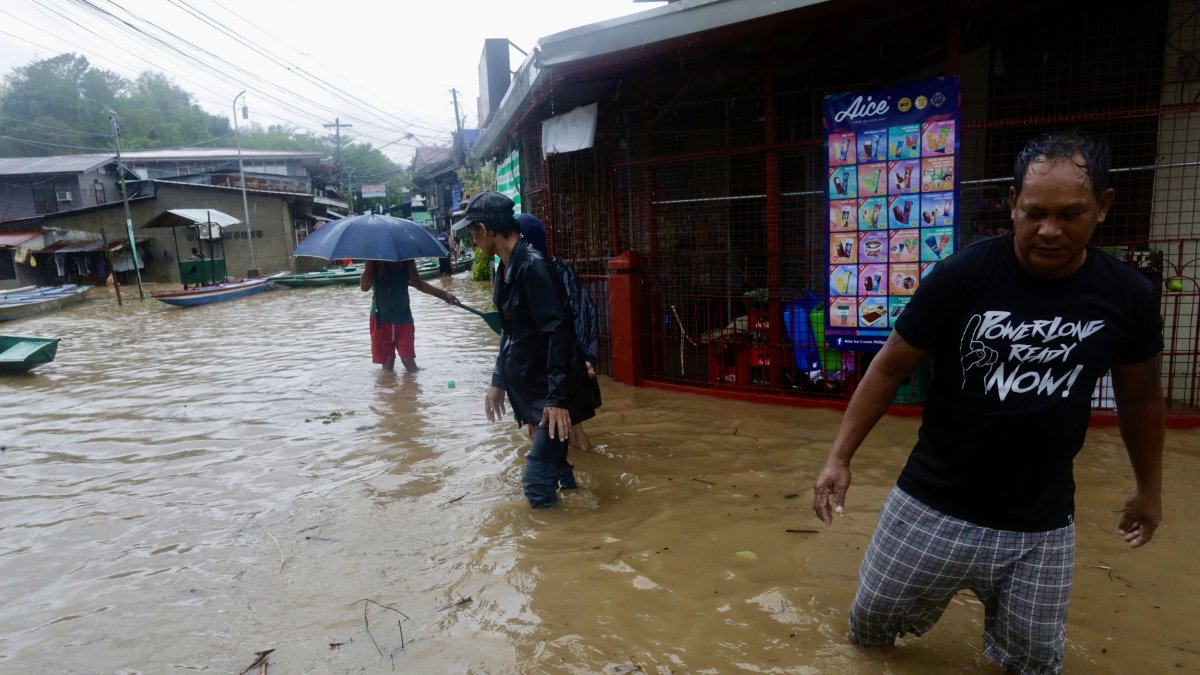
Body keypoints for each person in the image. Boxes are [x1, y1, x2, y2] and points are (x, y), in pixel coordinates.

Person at [811, 129, 1164, 675]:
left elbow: (1139, 401)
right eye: (1033, 213)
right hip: (930, 508)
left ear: (1103, 208)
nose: (1049, 230)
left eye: (1070, 214)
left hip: (1042, 528)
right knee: (869, 640)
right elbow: (888, 367)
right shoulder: (962, 274)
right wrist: (839, 457)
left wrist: (1149, 489)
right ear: (1012, 204)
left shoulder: (1128, 296)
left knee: (1034, 665)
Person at [453, 192, 594, 508]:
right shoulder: (505, 270)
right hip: (532, 389)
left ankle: (555, 550)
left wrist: (557, 400)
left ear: (487, 229)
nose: (473, 240)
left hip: (549, 393)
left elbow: (558, 333)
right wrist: (497, 381)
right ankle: (587, 515)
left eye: (473, 232)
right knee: (556, 469)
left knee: (535, 484)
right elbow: (511, 333)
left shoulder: (533, 266)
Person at [517, 213, 602, 452]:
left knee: (544, 430)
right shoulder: (559, 270)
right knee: (573, 430)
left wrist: (585, 358)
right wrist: (587, 357)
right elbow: (587, 313)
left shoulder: (537, 272)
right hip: (564, 365)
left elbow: (576, 317)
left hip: (556, 368)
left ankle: (549, 483)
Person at [359, 259, 458, 372]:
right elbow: (364, 287)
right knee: (387, 365)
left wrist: (444, 295)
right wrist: (370, 264)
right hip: (381, 320)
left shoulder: (408, 261)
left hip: (404, 319)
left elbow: (419, 284)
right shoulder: (375, 260)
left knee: (409, 362)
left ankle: (411, 388)